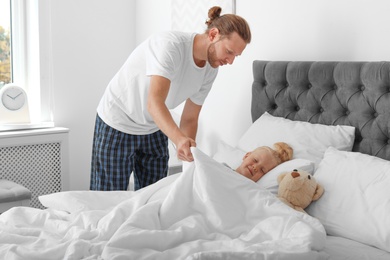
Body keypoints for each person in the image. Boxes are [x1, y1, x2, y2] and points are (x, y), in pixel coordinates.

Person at [90, 6, 252, 191]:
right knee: (107, 198)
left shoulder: (210, 70)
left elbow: (190, 118)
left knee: (153, 196)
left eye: (235, 56)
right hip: (119, 120)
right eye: (229, 52)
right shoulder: (170, 46)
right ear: (213, 34)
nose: (230, 61)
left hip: (154, 125)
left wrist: (188, 158)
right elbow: (154, 102)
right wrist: (178, 138)